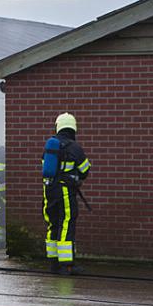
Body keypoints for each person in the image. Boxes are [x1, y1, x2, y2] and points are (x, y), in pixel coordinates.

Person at [43, 113, 91, 275]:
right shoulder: (75, 147)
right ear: (73, 128)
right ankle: (67, 265)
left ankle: (53, 263)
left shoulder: (50, 146)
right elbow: (85, 170)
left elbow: (45, 168)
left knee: (53, 223)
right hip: (65, 190)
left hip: (49, 190)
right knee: (66, 222)